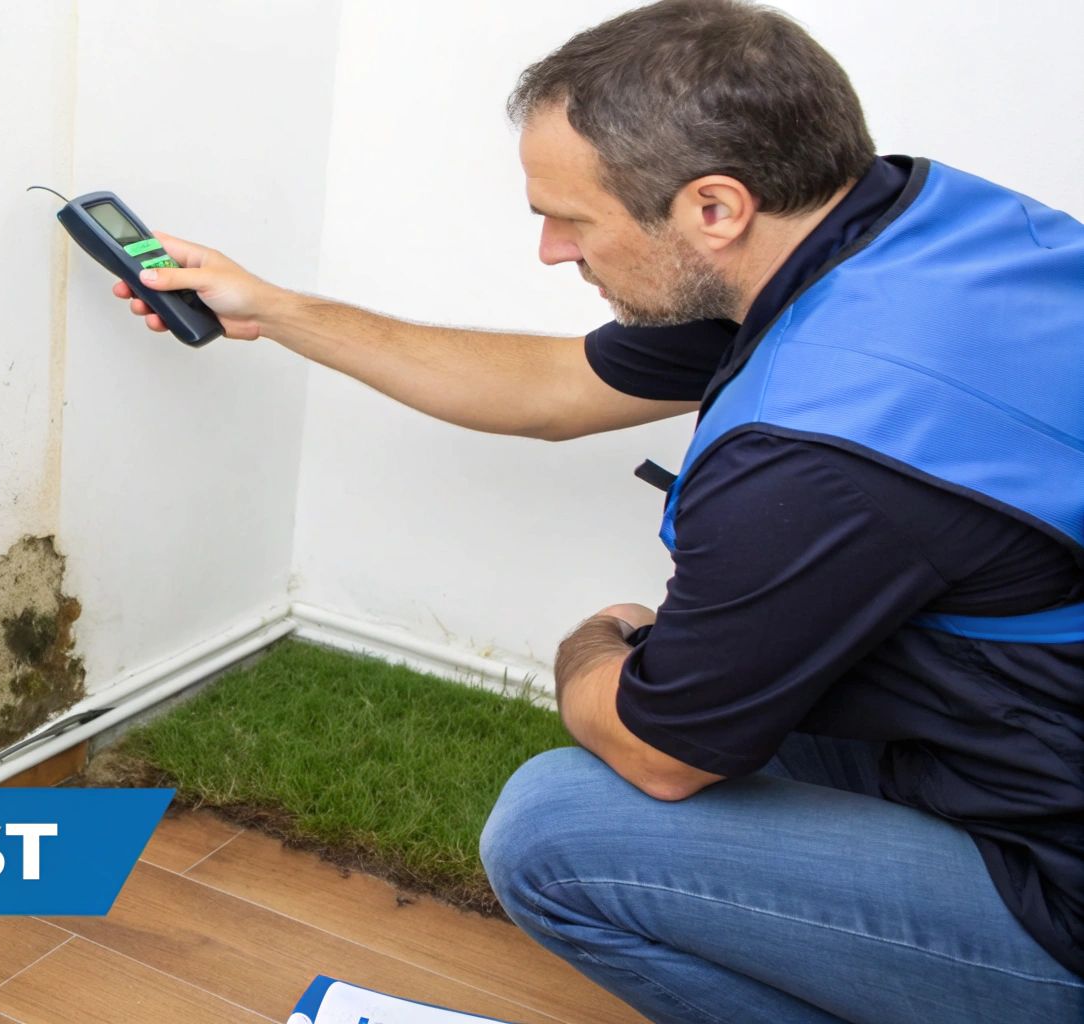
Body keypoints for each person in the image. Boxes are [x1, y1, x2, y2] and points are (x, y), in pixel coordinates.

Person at [100, 1, 1083, 1020]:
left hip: (1060, 891)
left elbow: (659, 757)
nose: (549, 250)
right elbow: (554, 390)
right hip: (1030, 715)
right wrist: (275, 308)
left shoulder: (815, 462)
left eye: (571, 217)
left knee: (552, 826)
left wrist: (591, 648)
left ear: (714, 208)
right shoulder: (906, 235)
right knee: (741, 690)